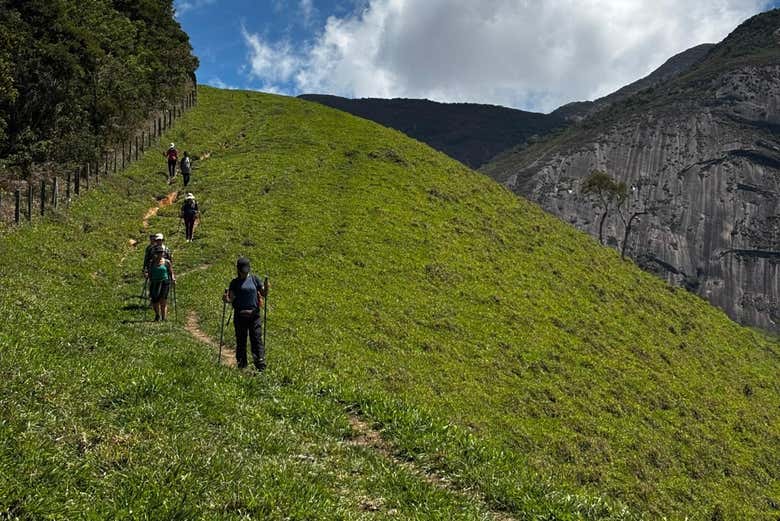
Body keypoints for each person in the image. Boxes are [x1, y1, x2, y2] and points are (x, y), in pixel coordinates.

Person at [223, 257, 267, 371]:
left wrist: (266, 288)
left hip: (254, 315)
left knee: (256, 338)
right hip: (240, 315)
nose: (245, 271)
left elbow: (264, 293)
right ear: (239, 269)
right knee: (241, 340)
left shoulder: (254, 279)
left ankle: (260, 363)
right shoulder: (235, 283)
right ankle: (242, 364)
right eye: (243, 269)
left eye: (247, 268)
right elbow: (231, 298)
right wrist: (226, 299)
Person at [149, 246, 175, 321]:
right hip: (154, 282)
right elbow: (150, 272)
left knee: (163, 300)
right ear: (155, 253)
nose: (159, 254)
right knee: (155, 301)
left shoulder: (167, 262)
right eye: (158, 253)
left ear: (163, 253)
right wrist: (148, 276)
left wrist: (173, 278)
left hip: (164, 282)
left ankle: (164, 317)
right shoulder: (152, 262)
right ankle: (157, 315)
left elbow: (171, 271)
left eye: (161, 252)